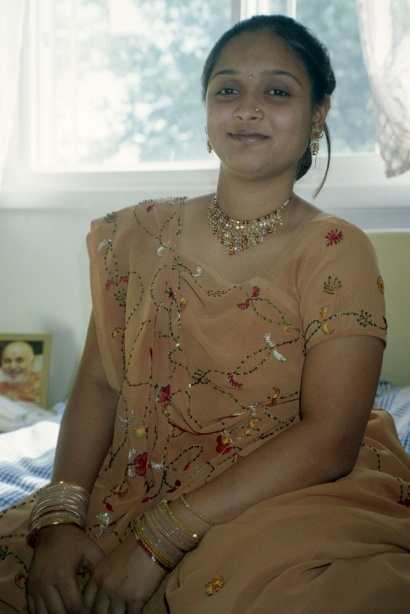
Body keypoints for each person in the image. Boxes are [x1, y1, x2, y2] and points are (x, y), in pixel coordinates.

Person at [0, 13, 409, 613]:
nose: (248, 108)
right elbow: (99, 382)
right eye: (227, 89)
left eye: (277, 91)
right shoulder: (139, 234)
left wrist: (161, 537)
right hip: (134, 480)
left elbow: (329, 439)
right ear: (206, 110)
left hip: (283, 493)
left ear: (318, 113)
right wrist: (60, 516)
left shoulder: (335, 249)